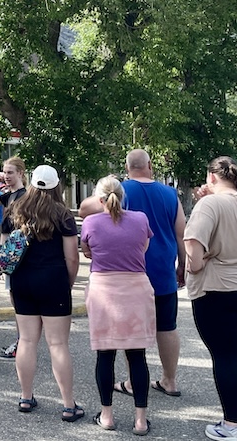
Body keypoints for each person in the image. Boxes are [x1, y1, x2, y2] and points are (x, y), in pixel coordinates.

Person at [184, 156, 237, 441]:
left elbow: (194, 248)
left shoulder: (209, 205)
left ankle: (229, 425)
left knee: (225, 355)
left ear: (211, 178)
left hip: (218, 286)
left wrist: (196, 265)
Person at [7, 164, 83, 421]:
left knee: (27, 341)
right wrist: (68, 283)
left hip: (22, 281)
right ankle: (68, 405)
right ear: (56, 185)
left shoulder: (17, 209)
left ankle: (26, 397)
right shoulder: (63, 215)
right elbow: (72, 258)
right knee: (58, 344)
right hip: (53, 281)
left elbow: (5, 247)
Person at [82, 176, 154, 434]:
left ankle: (107, 415)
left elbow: (88, 251)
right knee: (137, 357)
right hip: (136, 289)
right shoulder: (141, 219)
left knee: (105, 355)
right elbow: (143, 248)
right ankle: (140, 420)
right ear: (123, 196)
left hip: (104, 290)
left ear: (99, 198)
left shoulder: (90, 222)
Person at [114, 149, 187, 398]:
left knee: (132, 328)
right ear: (150, 165)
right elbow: (181, 233)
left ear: (127, 168)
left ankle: (134, 382)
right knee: (167, 327)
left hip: (130, 272)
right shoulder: (170, 194)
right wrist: (182, 265)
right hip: (164, 271)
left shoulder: (120, 192)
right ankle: (170, 380)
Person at [0, 156, 27, 361]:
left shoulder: (25, 195)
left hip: (17, 252)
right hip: (8, 251)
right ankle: (22, 341)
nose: (6, 176)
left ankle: (21, 343)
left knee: (18, 300)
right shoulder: (8, 195)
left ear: (20, 173)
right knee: (15, 299)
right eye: (4, 172)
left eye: (10, 172)